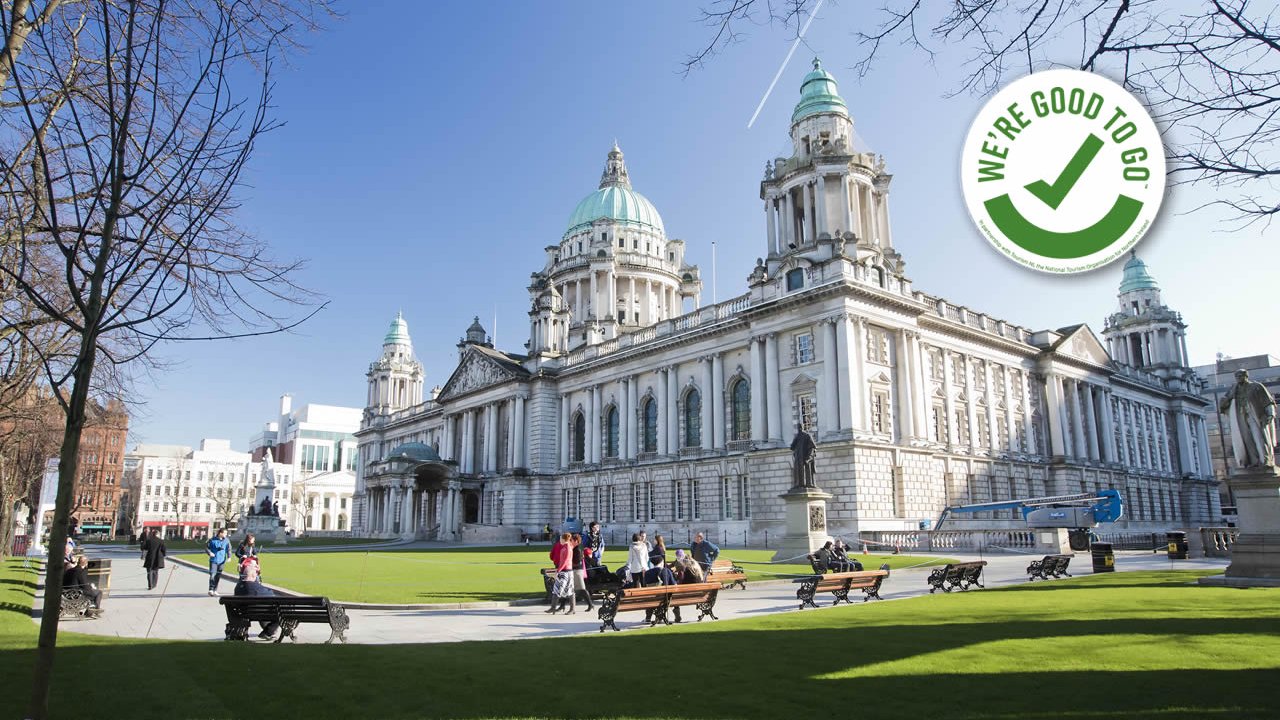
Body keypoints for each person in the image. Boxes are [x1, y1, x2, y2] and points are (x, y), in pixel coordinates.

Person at [233, 561, 280, 640]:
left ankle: (268, 630)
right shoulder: (256, 588)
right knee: (281, 613)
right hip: (259, 612)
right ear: (253, 575)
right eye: (255, 573)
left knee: (259, 607)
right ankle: (268, 632)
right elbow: (271, 594)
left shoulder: (238, 587)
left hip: (244, 613)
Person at [669, 549, 705, 623]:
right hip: (700, 590)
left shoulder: (686, 565)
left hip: (690, 591)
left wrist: (677, 582)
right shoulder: (692, 561)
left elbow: (684, 580)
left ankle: (677, 617)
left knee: (674, 595)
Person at [546, 532, 575, 614]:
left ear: (563, 539)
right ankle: (553, 607)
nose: (560, 540)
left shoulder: (567, 548)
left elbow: (565, 561)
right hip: (565, 571)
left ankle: (571, 609)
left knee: (567, 590)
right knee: (559, 589)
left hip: (566, 571)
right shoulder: (566, 547)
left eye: (561, 539)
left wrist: (558, 570)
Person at [570, 533, 594, 612]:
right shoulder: (579, 547)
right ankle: (564, 606)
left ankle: (590, 604)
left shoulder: (577, 549)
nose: (571, 542)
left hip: (577, 570)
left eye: (572, 540)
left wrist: (569, 563)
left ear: (576, 541)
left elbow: (577, 561)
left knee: (582, 589)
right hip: (577, 570)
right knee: (572, 589)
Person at [206, 528, 232, 596]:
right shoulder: (212, 540)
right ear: (220, 533)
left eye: (226, 533)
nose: (226, 535)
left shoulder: (226, 540)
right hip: (213, 560)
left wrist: (229, 557)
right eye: (225, 533)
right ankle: (211, 589)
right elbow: (207, 548)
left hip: (222, 561)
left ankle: (215, 589)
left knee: (218, 575)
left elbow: (229, 549)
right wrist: (210, 553)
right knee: (212, 575)